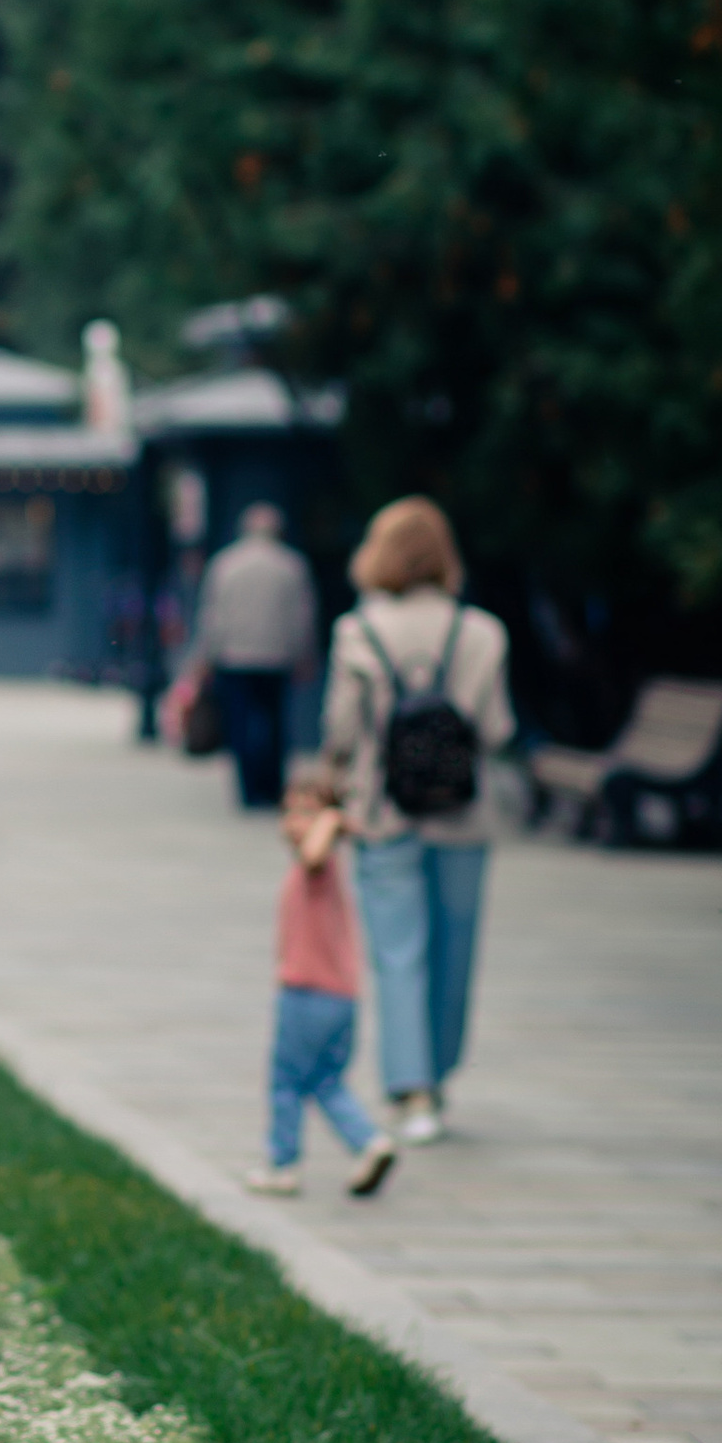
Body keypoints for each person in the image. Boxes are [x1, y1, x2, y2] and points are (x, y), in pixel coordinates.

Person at [322, 495, 515, 1148]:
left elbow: (340, 731)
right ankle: (440, 1073)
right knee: (455, 954)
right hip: (463, 817)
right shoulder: (483, 633)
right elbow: (497, 730)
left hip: (384, 813)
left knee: (398, 955)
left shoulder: (359, 631)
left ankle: (412, 1091)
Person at [245, 760, 397, 1198]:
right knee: (326, 1082)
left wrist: (331, 820)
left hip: (307, 994)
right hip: (340, 997)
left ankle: (283, 1163)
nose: (296, 822)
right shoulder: (320, 869)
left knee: (286, 1081)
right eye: (290, 811)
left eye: (308, 812)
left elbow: (313, 852)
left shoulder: (317, 866)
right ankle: (370, 1143)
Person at [192, 501, 318, 811]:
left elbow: (212, 615)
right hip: (277, 657)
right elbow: (302, 616)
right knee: (275, 723)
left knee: (239, 724)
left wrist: (206, 655)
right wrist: (304, 653)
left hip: (234, 656)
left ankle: (248, 789)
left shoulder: (225, 564)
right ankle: (272, 788)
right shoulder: (292, 565)